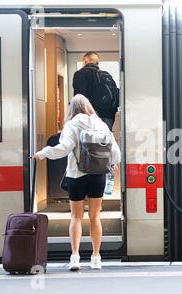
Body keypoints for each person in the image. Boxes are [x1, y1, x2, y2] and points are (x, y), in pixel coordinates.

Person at [34, 94, 121, 271]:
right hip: (98, 175)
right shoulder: (101, 124)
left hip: (77, 175)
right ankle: (96, 258)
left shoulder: (72, 125)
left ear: (72, 109)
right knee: (95, 216)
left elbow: (63, 149)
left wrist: (42, 153)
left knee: (76, 217)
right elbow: (115, 151)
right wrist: (113, 163)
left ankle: (75, 257)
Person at [72, 51, 119, 131]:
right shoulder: (106, 75)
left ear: (85, 61)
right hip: (108, 116)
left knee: (90, 141)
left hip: (90, 116)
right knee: (105, 141)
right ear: (97, 63)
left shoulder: (80, 74)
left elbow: (80, 98)